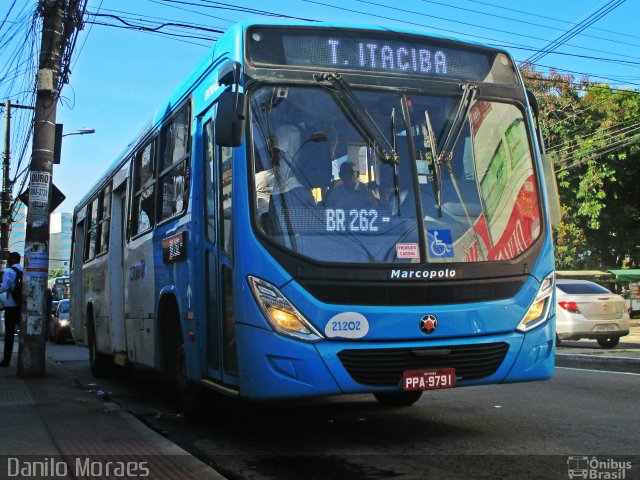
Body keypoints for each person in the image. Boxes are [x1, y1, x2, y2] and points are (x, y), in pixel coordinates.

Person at [0, 252, 23, 367]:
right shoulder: (24, 271)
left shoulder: (9, 271)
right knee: (23, 333)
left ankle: (6, 361)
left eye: (9, 258)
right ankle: (23, 359)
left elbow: (4, 287)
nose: (8, 260)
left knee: (9, 335)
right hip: (22, 307)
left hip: (10, 306)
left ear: (14, 259)